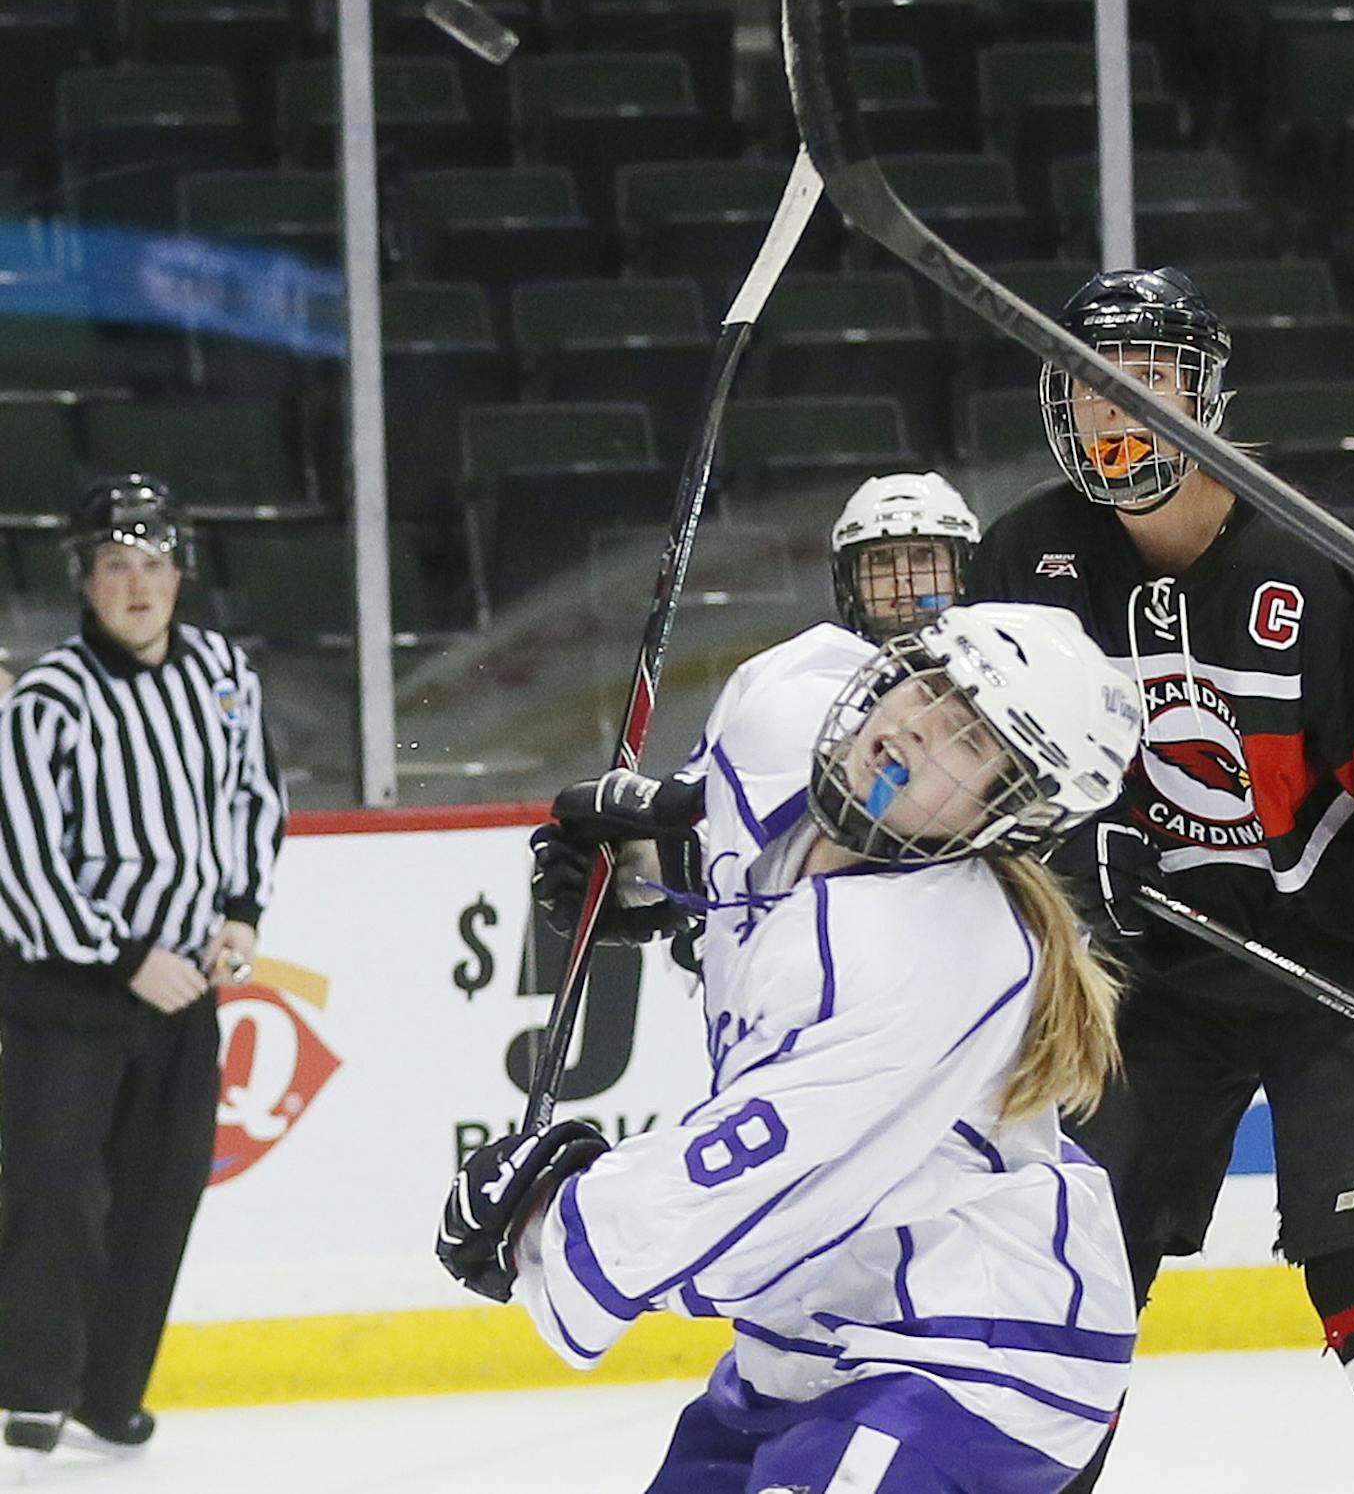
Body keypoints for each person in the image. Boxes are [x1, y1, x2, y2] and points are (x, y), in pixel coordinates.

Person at [967, 268, 1354, 1494]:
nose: (1116, 418)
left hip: (1340, 962)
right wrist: (1067, 846)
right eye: (1088, 392)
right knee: (1073, 1254)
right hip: (1139, 978)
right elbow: (976, 763)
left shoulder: (1315, 570)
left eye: (1145, 385)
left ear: (1205, 395)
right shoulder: (1021, 557)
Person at [438, 602, 1147, 1494]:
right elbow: (729, 845)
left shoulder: (936, 957)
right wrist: (653, 866)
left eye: (969, 745)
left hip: (970, 1353)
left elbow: (752, 1185)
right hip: (801, 1347)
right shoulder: (785, 706)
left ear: (1008, 815)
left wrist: (551, 1222)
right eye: (930, 687)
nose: (915, 735)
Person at [0, 475, 284, 1459]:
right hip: (69, 990)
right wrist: (126, 956)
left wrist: (242, 911)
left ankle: (107, 1391)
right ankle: (30, 1390)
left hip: (186, 989)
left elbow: (252, 799)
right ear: (85, 579)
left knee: (163, 1192)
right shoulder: (46, 701)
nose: (137, 584)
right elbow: (25, 862)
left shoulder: (222, 674)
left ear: (179, 572)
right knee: (57, 1189)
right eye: (116, 564)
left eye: (153, 563)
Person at [830, 471, 981, 640]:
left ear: (960, 573)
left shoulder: (1008, 657)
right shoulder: (825, 664)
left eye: (924, 555)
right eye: (880, 558)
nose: (902, 576)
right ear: (852, 583)